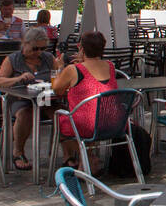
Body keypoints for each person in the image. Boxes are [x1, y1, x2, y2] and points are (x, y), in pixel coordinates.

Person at [51, 30, 120, 167]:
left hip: (87, 125)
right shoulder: (110, 66)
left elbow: (57, 89)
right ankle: (86, 163)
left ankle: (87, 157)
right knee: (89, 114)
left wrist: (57, 69)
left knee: (60, 120)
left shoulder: (73, 69)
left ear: (81, 48)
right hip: (113, 122)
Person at [0, 27, 55, 171]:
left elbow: (59, 75)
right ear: (25, 43)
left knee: (61, 113)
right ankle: (18, 152)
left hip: (44, 99)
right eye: (35, 49)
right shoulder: (13, 60)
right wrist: (19, 78)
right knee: (26, 114)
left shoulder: (48, 58)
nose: (39, 52)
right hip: (20, 100)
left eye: (43, 48)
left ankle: (68, 155)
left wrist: (60, 69)